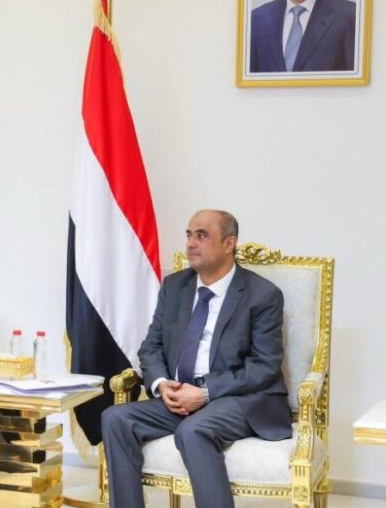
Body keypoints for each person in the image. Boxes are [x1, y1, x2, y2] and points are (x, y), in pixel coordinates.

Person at [102, 210, 292, 508]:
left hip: (239, 399)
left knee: (194, 430)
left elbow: (264, 366)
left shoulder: (262, 295)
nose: (191, 243)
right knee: (115, 418)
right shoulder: (175, 286)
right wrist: (162, 384)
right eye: (189, 235)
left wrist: (204, 393)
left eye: (201, 236)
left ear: (229, 244)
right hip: (179, 397)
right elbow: (151, 346)